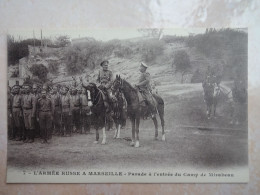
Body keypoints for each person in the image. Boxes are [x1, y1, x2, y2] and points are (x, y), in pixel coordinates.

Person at [96, 60, 114, 130]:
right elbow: (97, 80)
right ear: (102, 66)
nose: (106, 66)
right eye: (104, 65)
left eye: (107, 65)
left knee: (110, 97)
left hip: (107, 88)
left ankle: (112, 109)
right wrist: (99, 85)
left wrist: (106, 86)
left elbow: (111, 81)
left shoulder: (110, 72)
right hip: (100, 88)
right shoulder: (99, 72)